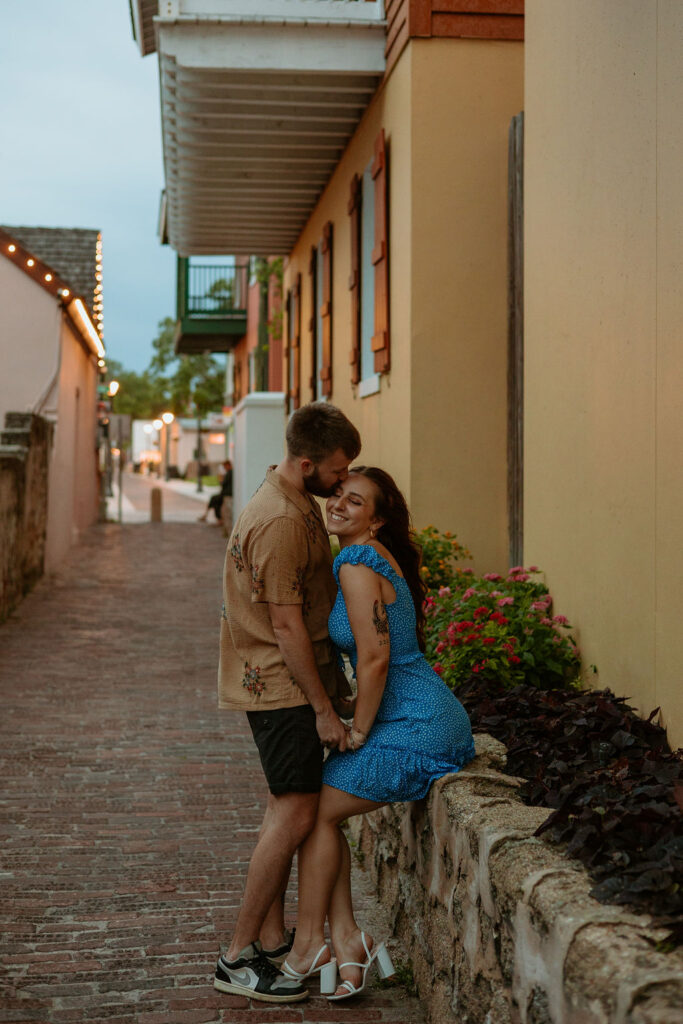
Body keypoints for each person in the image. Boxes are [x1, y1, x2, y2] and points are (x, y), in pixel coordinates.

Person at [280, 467, 476, 1000]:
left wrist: (358, 727)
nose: (340, 504)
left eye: (356, 500)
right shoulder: (366, 557)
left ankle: (313, 945)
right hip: (416, 716)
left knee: (318, 812)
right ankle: (347, 942)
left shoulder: (357, 561)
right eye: (339, 495)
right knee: (325, 814)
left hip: (421, 725)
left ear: (377, 518)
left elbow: (376, 656)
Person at [213, 402, 362, 1004]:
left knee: (286, 808)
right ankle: (235, 957)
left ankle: (272, 940)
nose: (344, 478)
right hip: (281, 687)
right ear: (306, 464)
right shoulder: (278, 519)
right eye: (337, 469)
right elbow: (287, 626)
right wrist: (324, 708)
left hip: (288, 684)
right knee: (297, 813)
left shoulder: (295, 500)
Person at [198, 459, 233, 526]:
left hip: (226, 493)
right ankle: (212, 517)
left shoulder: (229, 473)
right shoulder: (230, 473)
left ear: (228, 465)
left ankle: (206, 515)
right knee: (216, 503)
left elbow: (223, 484)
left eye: (225, 467)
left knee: (213, 499)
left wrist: (221, 479)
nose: (224, 468)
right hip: (226, 493)